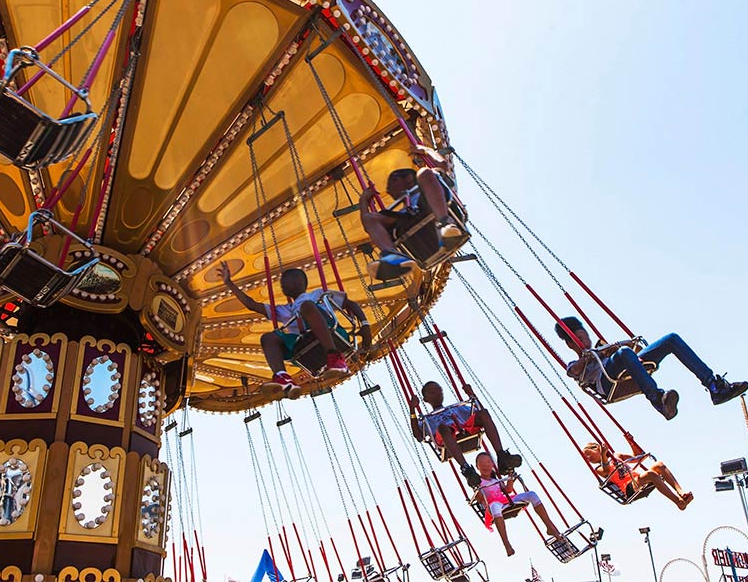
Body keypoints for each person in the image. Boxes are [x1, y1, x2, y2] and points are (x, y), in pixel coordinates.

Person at [217, 262, 372, 398]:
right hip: (305, 345)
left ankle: (335, 357)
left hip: (332, 334)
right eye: (282, 283)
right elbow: (252, 304)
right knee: (268, 338)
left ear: (300, 281)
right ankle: (283, 378)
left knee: (307, 307)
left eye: (286, 281)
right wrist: (229, 283)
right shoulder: (286, 310)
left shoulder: (317, 294)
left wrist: (365, 325)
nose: (283, 285)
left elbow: (351, 304)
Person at [555, 316, 748, 420]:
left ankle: (715, 387)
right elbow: (573, 371)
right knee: (623, 353)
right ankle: (658, 400)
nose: (584, 341)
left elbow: (633, 350)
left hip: (628, 366)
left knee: (671, 339)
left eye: (584, 336)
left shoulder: (604, 348)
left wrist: (614, 349)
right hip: (608, 383)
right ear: (570, 345)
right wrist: (588, 356)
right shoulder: (577, 364)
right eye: (578, 340)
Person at [360, 143, 461, 280]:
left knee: (425, 173)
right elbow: (369, 226)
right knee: (370, 218)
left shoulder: (427, 183)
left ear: (408, 179)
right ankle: (392, 256)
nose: (389, 190)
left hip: (431, 208)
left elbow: (442, 165)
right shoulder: (404, 211)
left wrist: (427, 150)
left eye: (393, 181)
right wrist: (364, 202)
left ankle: (445, 223)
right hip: (416, 227)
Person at [409, 380, 521, 488]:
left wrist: (472, 394)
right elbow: (418, 435)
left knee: (483, 413)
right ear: (425, 399)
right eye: (432, 392)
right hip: (445, 437)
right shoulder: (428, 419)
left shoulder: (458, 408)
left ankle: (502, 456)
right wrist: (412, 409)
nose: (437, 394)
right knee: (443, 427)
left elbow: (480, 411)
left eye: (439, 390)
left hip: (466, 430)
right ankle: (466, 469)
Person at [473, 452, 563, 557]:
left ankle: (550, 526)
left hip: (505, 500)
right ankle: (506, 543)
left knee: (532, 494)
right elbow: (479, 498)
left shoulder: (496, 480)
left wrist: (510, 480)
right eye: (482, 463)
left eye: (488, 462)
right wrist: (475, 486)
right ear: (477, 467)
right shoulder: (478, 481)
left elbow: (508, 490)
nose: (485, 465)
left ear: (492, 464)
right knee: (494, 506)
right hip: (493, 505)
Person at [582, 433, 693, 510]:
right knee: (651, 474)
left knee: (659, 465)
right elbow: (606, 470)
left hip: (638, 480)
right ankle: (678, 502)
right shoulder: (598, 469)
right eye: (586, 457)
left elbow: (639, 457)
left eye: (589, 454)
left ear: (597, 448)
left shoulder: (617, 455)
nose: (588, 458)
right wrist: (603, 456)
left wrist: (630, 442)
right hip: (629, 488)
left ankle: (680, 492)